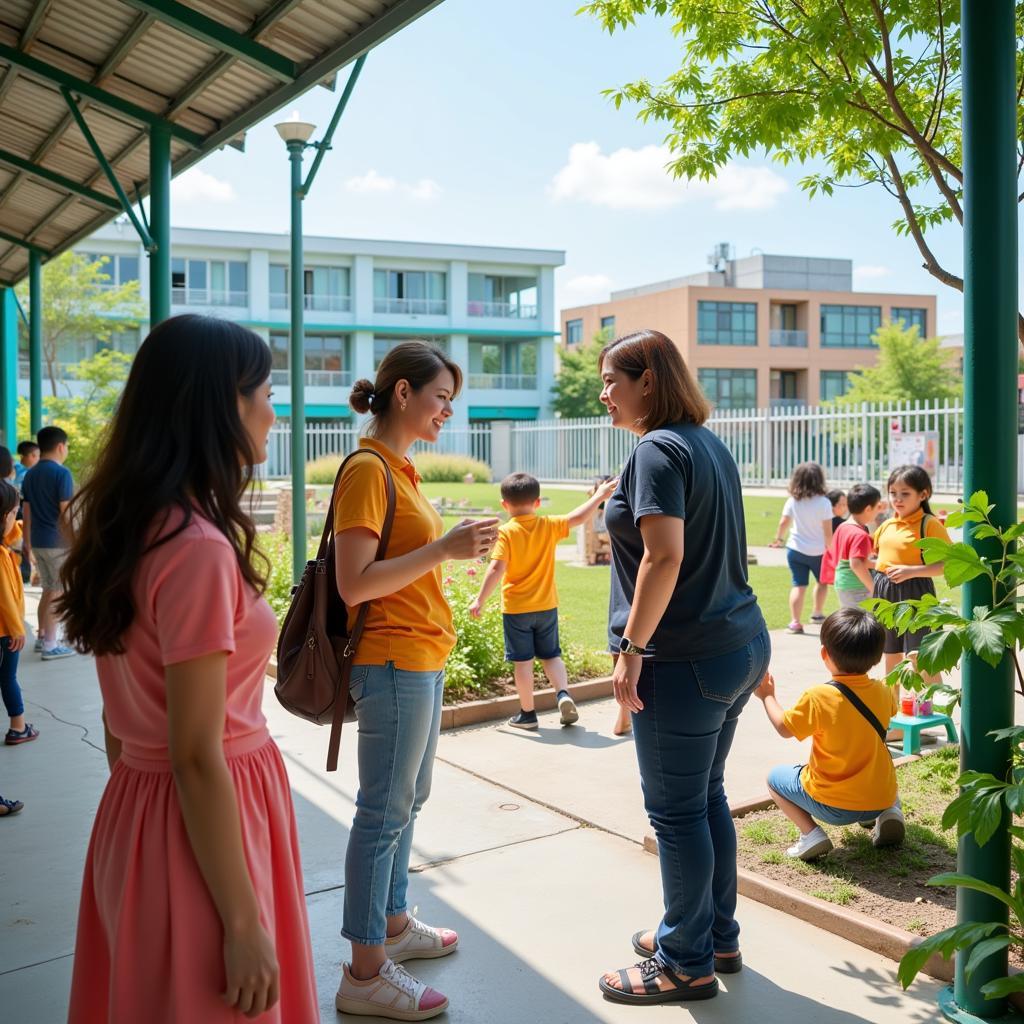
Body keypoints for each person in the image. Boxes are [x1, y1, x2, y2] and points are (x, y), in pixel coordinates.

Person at [62, 315, 318, 1023]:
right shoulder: (197, 546)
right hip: (206, 817)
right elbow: (198, 754)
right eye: (263, 391)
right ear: (218, 405)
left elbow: (122, 720)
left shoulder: (128, 527)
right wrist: (240, 921)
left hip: (140, 811)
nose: (274, 410)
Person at [595, 329, 769, 1006]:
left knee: (675, 813)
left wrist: (631, 652)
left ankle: (684, 961)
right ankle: (712, 935)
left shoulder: (658, 449)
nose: (605, 393)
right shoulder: (706, 442)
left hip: (685, 659)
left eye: (614, 379)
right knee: (705, 799)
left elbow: (663, 557)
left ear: (648, 381)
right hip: (737, 644)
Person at [334, 341, 499, 1021]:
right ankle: (366, 971)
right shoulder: (369, 469)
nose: (447, 413)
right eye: (440, 399)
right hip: (392, 659)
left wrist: (441, 556)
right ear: (402, 394)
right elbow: (353, 584)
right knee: (384, 810)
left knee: (409, 799)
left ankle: (394, 926)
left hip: (419, 657)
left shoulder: (399, 468)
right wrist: (444, 549)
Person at [469, 471, 617, 730]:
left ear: (504, 504)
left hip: (517, 610)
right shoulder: (548, 525)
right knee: (552, 656)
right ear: (537, 502)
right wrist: (598, 496)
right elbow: (578, 517)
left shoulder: (506, 533)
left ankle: (527, 714)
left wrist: (479, 599)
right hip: (546, 606)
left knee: (523, 662)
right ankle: (563, 694)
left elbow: (496, 569)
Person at [756, 607, 905, 861]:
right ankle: (889, 812)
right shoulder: (883, 690)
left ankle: (811, 834)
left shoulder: (818, 697)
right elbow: (891, 710)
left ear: (824, 653)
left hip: (833, 807)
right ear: (878, 656)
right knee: (877, 771)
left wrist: (767, 696)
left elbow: (784, 727)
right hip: (880, 795)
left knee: (775, 779)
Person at [873, 464, 950, 718]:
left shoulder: (929, 524)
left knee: (920, 656)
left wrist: (910, 571)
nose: (897, 499)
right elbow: (879, 557)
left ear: (923, 494)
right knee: (891, 655)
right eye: (893, 492)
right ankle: (893, 715)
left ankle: (931, 712)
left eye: (905, 493)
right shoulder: (886, 525)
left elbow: (947, 564)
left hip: (916, 593)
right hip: (885, 594)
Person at [22, 426, 75, 659]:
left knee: (47, 589)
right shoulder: (61, 473)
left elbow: (26, 510)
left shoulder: (31, 473)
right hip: (57, 542)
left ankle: (42, 636)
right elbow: (66, 511)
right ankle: (51, 645)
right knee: (57, 591)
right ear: (61, 446)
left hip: (38, 541)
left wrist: (26, 543)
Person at [769, 462, 833, 634]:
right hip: (818, 551)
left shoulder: (792, 501)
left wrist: (778, 539)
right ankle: (817, 614)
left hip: (795, 549)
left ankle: (795, 622)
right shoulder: (824, 503)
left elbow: (784, 522)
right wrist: (832, 548)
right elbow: (828, 531)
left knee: (798, 585)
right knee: (822, 583)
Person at [0, 480, 36, 746]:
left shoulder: (3, 547)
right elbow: (5, 600)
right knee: (8, 677)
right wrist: (17, 628)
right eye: (14, 513)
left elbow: (12, 534)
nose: (17, 519)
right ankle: (18, 726)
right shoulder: (0, 556)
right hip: (5, 632)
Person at [825, 484, 886, 609]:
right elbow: (856, 563)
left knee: (852, 622)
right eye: (877, 507)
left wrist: (878, 564)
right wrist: (875, 590)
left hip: (843, 584)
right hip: (857, 588)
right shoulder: (860, 534)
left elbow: (854, 560)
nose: (878, 512)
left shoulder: (843, 527)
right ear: (868, 509)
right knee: (862, 624)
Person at [14, 442, 38, 586]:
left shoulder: (14, 469)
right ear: (24, 456)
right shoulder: (26, 473)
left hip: (16, 513)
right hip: (20, 514)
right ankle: (24, 576)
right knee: (21, 545)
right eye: (34, 456)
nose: (37, 459)